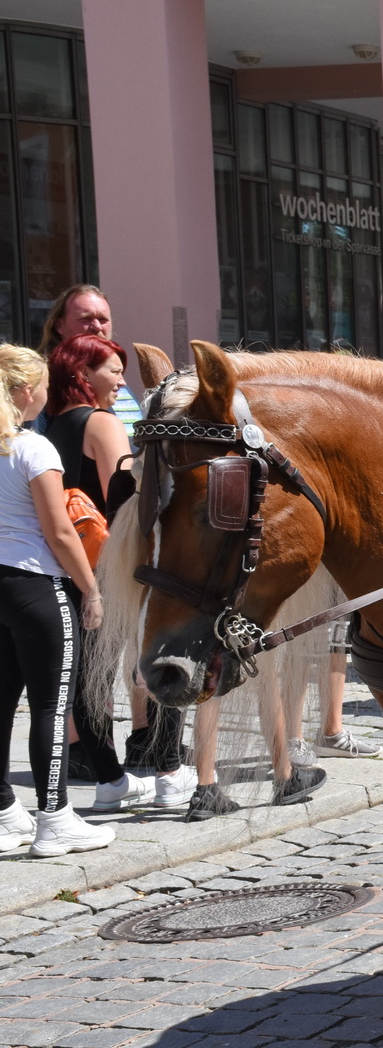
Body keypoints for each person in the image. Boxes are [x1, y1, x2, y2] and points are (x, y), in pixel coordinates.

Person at [43, 336, 198, 810]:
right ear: (82, 374)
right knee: (158, 657)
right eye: (112, 370)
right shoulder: (102, 422)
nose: (120, 382)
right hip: (115, 560)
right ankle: (169, 771)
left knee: (91, 675)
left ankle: (109, 780)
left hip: (72, 562)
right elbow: (126, 495)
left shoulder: (51, 426)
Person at [0, 344, 115, 857]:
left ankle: (5, 812)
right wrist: (91, 589)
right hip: (36, 585)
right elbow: (61, 531)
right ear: (27, 391)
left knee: (3, 701)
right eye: (44, 386)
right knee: (51, 704)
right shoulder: (33, 448)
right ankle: (55, 817)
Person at [35, 285, 142, 433]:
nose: (97, 327)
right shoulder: (43, 381)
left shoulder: (116, 381)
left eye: (103, 320)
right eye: (86, 319)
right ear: (60, 325)